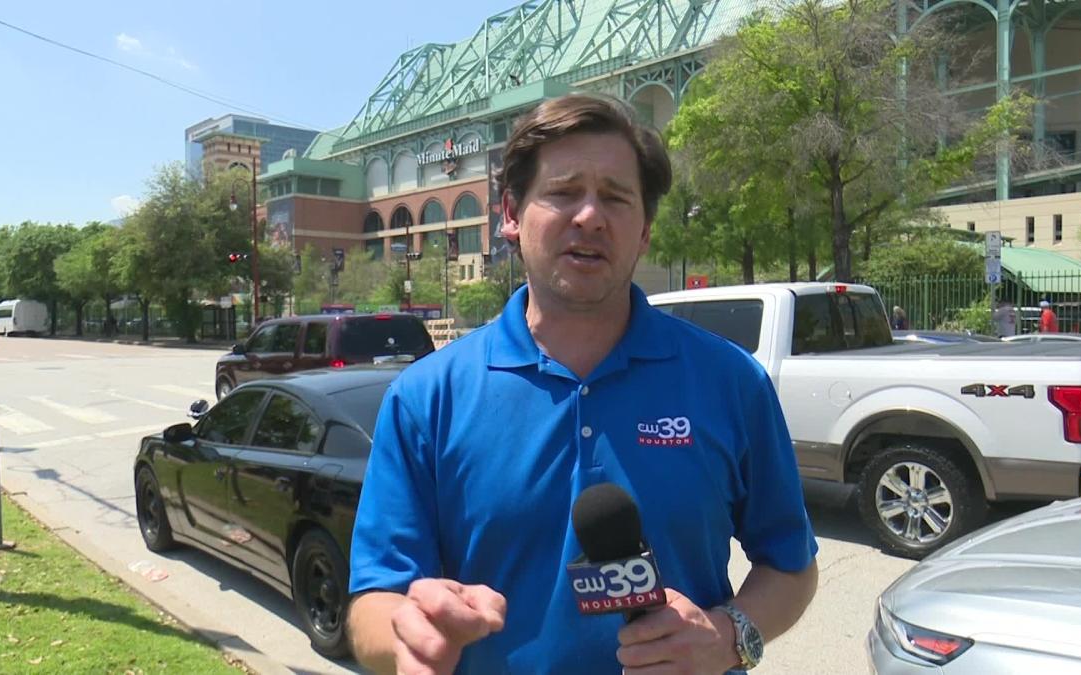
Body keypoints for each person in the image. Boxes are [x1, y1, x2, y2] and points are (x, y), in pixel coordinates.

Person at [346, 93, 819, 675]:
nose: (590, 216)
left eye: (616, 198)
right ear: (512, 215)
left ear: (644, 229)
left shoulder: (731, 381)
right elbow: (373, 599)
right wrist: (406, 639)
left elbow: (792, 566)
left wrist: (729, 635)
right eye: (564, 192)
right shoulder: (425, 399)